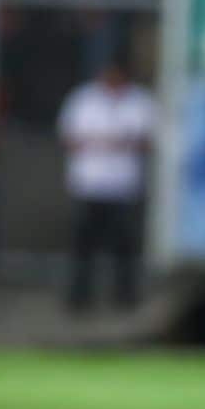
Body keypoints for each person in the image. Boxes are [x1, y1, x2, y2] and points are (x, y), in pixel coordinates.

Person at [58, 59, 155, 312]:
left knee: (124, 247)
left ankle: (125, 298)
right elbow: (68, 137)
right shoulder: (82, 99)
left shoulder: (140, 101)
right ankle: (79, 298)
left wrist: (116, 143)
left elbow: (149, 141)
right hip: (88, 186)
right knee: (83, 247)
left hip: (123, 187)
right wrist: (108, 142)